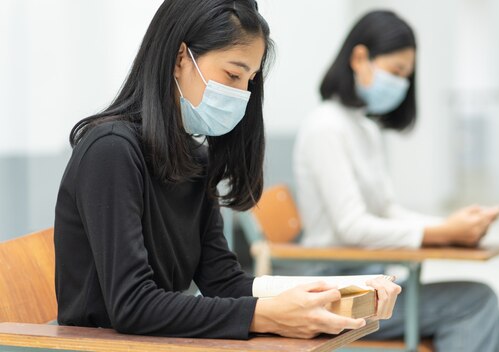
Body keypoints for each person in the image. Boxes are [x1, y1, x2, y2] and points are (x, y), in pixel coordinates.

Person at [53, 0, 400, 340]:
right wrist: (264, 316)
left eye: (249, 80)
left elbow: (224, 282)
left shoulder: (194, 160)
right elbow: (133, 305)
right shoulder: (110, 151)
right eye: (233, 74)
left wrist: (345, 289)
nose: (241, 94)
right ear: (179, 59)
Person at [293, 10, 499, 351]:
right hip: (340, 291)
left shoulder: (363, 128)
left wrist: (450, 228)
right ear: (360, 58)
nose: (401, 83)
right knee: (476, 301)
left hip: (368, 281)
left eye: (406, 75)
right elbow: (351, 227)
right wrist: (443, 234)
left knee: (490, 311)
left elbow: (387, 210)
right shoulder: (326, 127)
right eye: (396, 71)